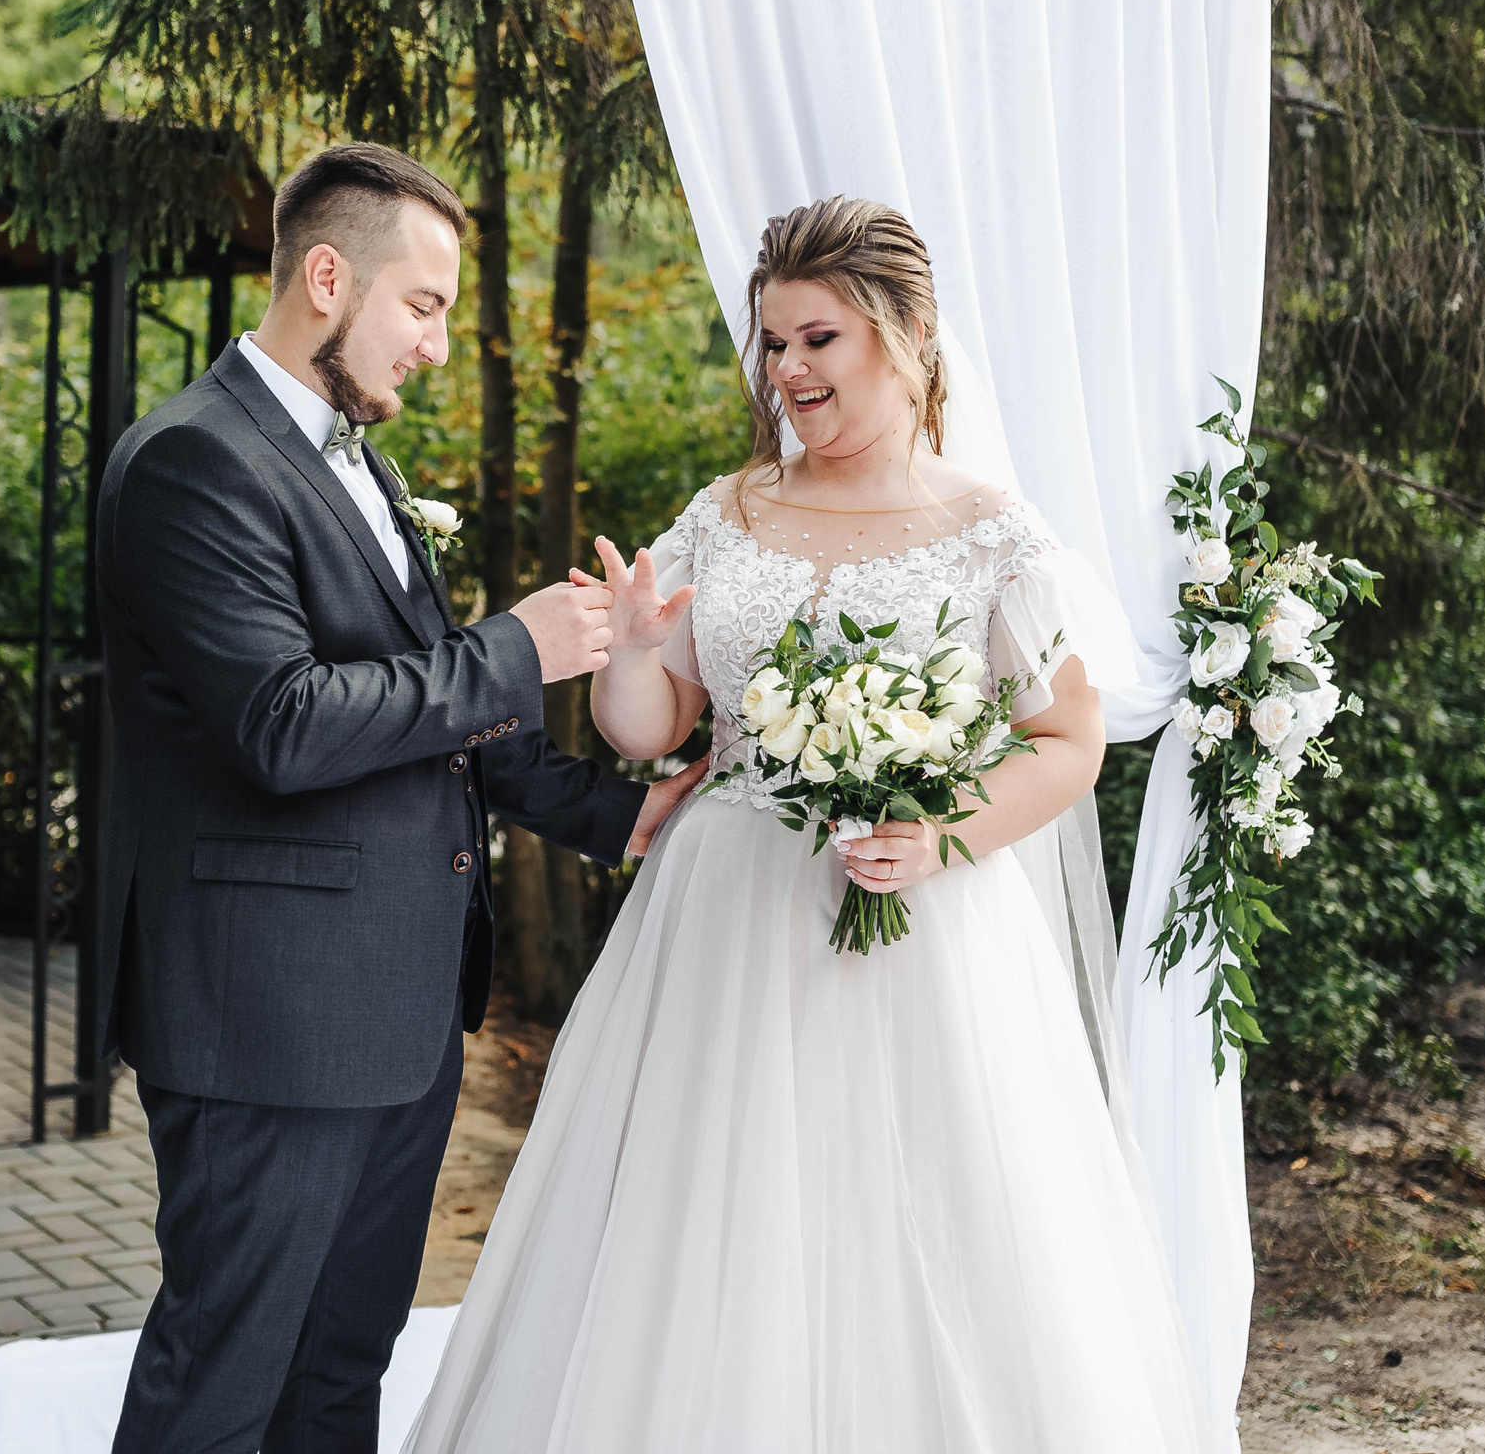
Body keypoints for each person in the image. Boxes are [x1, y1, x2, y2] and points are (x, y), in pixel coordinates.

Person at [401, 197, 1206, 1454]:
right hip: (725, 922)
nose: (786, 371)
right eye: (773, 344)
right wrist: (634, 645)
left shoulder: (994, 535)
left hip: (923, 931)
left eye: (816, 339)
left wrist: (938, 835)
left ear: (907, 336)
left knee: (916, 1221)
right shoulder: (726, 513)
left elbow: (1067, 742)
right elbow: (646, 732)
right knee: (704, 1221)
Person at [93, 142, 705, 1454]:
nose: (435, 344)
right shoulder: (192, 461)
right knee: (223, 1377)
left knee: (339, 1370)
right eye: (423, 305)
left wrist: (616, 814)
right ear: (328, 277)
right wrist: (516, 647)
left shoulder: (357, 464)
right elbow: (284, 724)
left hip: (400, 1012)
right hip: (268, 1018)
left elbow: (432, 722)